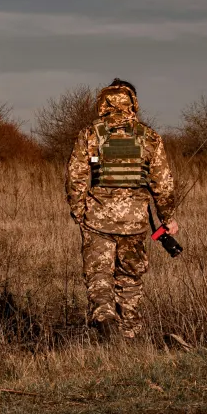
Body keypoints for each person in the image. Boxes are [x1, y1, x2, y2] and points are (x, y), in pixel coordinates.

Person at [65, 79, 178, 340]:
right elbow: (163, 183)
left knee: (99, 275)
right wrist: (167, 218)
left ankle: (104, 318)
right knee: (129, 278)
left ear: (103, 102)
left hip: (96, 219)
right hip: (136, 221)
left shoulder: (90, 134)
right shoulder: (149, 137)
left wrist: (79, 212)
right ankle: (129, 336)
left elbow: (76, 178)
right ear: (133, 102)